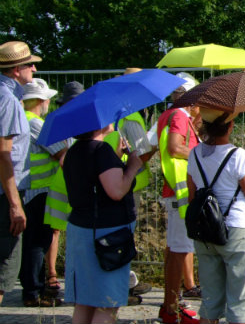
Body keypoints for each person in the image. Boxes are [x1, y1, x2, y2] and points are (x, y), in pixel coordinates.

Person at [186, 107, 245, 324]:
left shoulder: (194, 154)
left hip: (205, 232)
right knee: (240, 301)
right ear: (230, 126)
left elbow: (192, 195)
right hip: (237, 229)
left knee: (210, 300)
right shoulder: (238, 155)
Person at [62, 122, 143, 323]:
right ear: (97, 124)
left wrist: (115, 160)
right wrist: (132, 166)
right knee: (107, 302)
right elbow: (116, 191)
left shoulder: (74, 151)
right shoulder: (100, 150)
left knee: (85, 301)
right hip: (107, 234)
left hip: (81, 228)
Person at [102, 68, 157, 303]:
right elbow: (141, 155)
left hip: (111, 180)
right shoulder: (131, 117)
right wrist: (154, 146)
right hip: (128, 184)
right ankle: (119, 288)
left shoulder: (107, 113)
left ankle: (123, 282)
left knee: (113, 235)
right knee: (123, 237)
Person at [157, 72, 202, 324]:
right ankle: (171, 309)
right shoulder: (178, 116)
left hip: (175, 190)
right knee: (179, 250)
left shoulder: (169, 114)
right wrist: (201, 152)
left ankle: (171, 305)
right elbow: (175, 147)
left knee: (175, 250)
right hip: (180, 192)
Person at [20, 78, 65, 307]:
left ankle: (31, 287)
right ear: (40, 100)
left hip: (28, 191)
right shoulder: (37, 124)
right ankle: (34, 292)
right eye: (48, 98)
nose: (49, 102)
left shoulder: (22, 119)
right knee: (38, 241)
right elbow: (61, 152)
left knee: (30, 242)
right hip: (40, 191)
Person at [0, 40, 39, 305]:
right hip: (4, 196)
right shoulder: (9, 101)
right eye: (30, 64)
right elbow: (4, 153)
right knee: (4, 270)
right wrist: (15, 204)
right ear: (16, 69)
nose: (34, 69)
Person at [42, 81, 84, 294]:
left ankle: (73, 276)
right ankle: (51, 274)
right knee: (55, 231)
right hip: (60, 183)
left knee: (76, 231)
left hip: (77, 181)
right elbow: (59, 154)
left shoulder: (84, 121)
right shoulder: (53, 120)